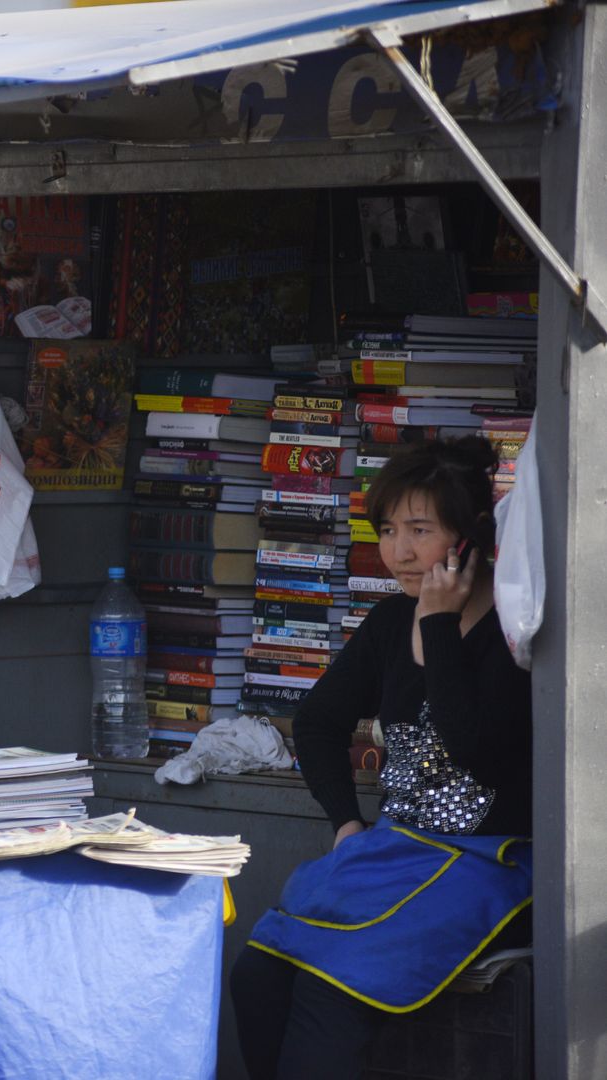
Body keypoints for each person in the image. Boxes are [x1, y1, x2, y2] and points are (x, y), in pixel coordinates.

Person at [229, 436, 533, 1080]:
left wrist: (441, 627)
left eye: (420, 530)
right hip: (392, 854)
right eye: (388, 529)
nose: (398, 551)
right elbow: (315, 724)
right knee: (259, 970)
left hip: (487, 863)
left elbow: (471, 749)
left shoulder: (517, 632)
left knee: (331, 984)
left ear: (472, 536)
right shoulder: (391, 623)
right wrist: (345, 823)